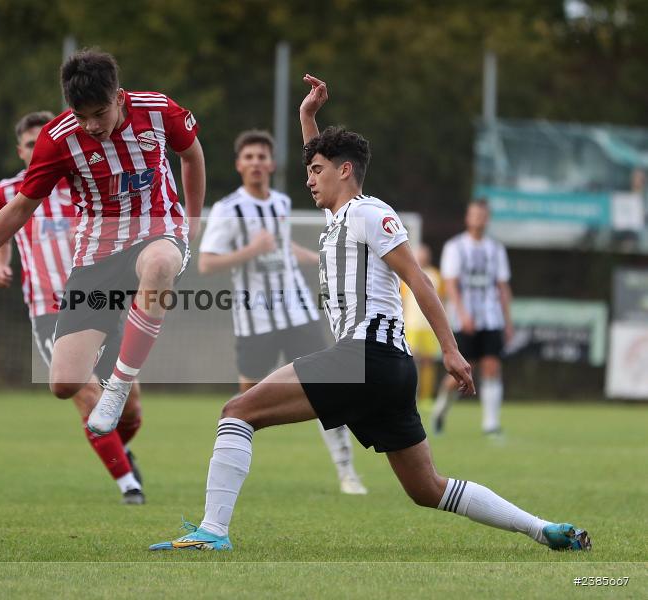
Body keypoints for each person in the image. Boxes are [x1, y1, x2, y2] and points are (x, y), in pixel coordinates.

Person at [148, 75, 589, 553]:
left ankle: (213, 532)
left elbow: (418, 280)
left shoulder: (368, 212)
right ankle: (544, 529)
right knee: (427, 488)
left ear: (344, 171)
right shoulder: (341, 215)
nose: (308, 177)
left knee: (236, 413)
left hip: (365, 355)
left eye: (316, 170)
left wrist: (450, 350)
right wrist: (307, 117)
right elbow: (318, 156)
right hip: (385, 368)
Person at [0, 49, 205, 438]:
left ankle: (119, 386)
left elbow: (191, 155)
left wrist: (191, 221)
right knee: (64, 383)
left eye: (99, 113)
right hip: (96, 253)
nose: (90, 125)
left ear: (119, 98)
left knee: (158, 265)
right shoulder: (56, 140)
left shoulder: (159, 111)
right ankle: (114, 332)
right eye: (80, 115)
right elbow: (19, 208)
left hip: (157, 230)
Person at [198, 129, 366, 494]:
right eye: (249, 157)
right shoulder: (229, 210)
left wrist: (321, 258)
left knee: (328, 389)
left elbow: (284, 249)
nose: (256, 163)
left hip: (298, 313)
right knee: (246, 404)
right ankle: (232, 475)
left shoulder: (281, 203)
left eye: (262, 157)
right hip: (254, 318)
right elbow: (207, 263)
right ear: (239, 165)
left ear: (271, 164)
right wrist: (252, 249)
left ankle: (347, 471)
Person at [0, 111, 145, 504]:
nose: (36, 149)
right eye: (29, 144)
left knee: (130, 408)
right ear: (21, 150)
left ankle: (115, 450)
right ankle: (130, 487)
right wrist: (0, 264)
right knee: (87, 395)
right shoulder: (8, 192)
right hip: (49, 310)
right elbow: (1, 230)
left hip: (100, 301)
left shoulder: (83, 182)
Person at [432, 200, 513, 436]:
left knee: (491, 366)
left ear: (487, 219)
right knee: (459, 374)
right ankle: (440, 410)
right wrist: (462, 313)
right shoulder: (455, 247)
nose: (478, 219)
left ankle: (491, 424)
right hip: (463, 320)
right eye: (474, 214)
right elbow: (451, 284)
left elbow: (502, 286)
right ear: (468, 218)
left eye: (482, 215)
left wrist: (507, 321)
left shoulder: (496, 249)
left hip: (491, 318)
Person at [400, 244, 443, 405]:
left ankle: (426, 396)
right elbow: (402, 300)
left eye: (424, 254)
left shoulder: (436, 275)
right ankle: (411, 393)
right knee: (410, 360)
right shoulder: (407, 275)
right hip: (411, 324)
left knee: (428, 360)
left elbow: (441, 300)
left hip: (428, 326)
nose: (422, 257)